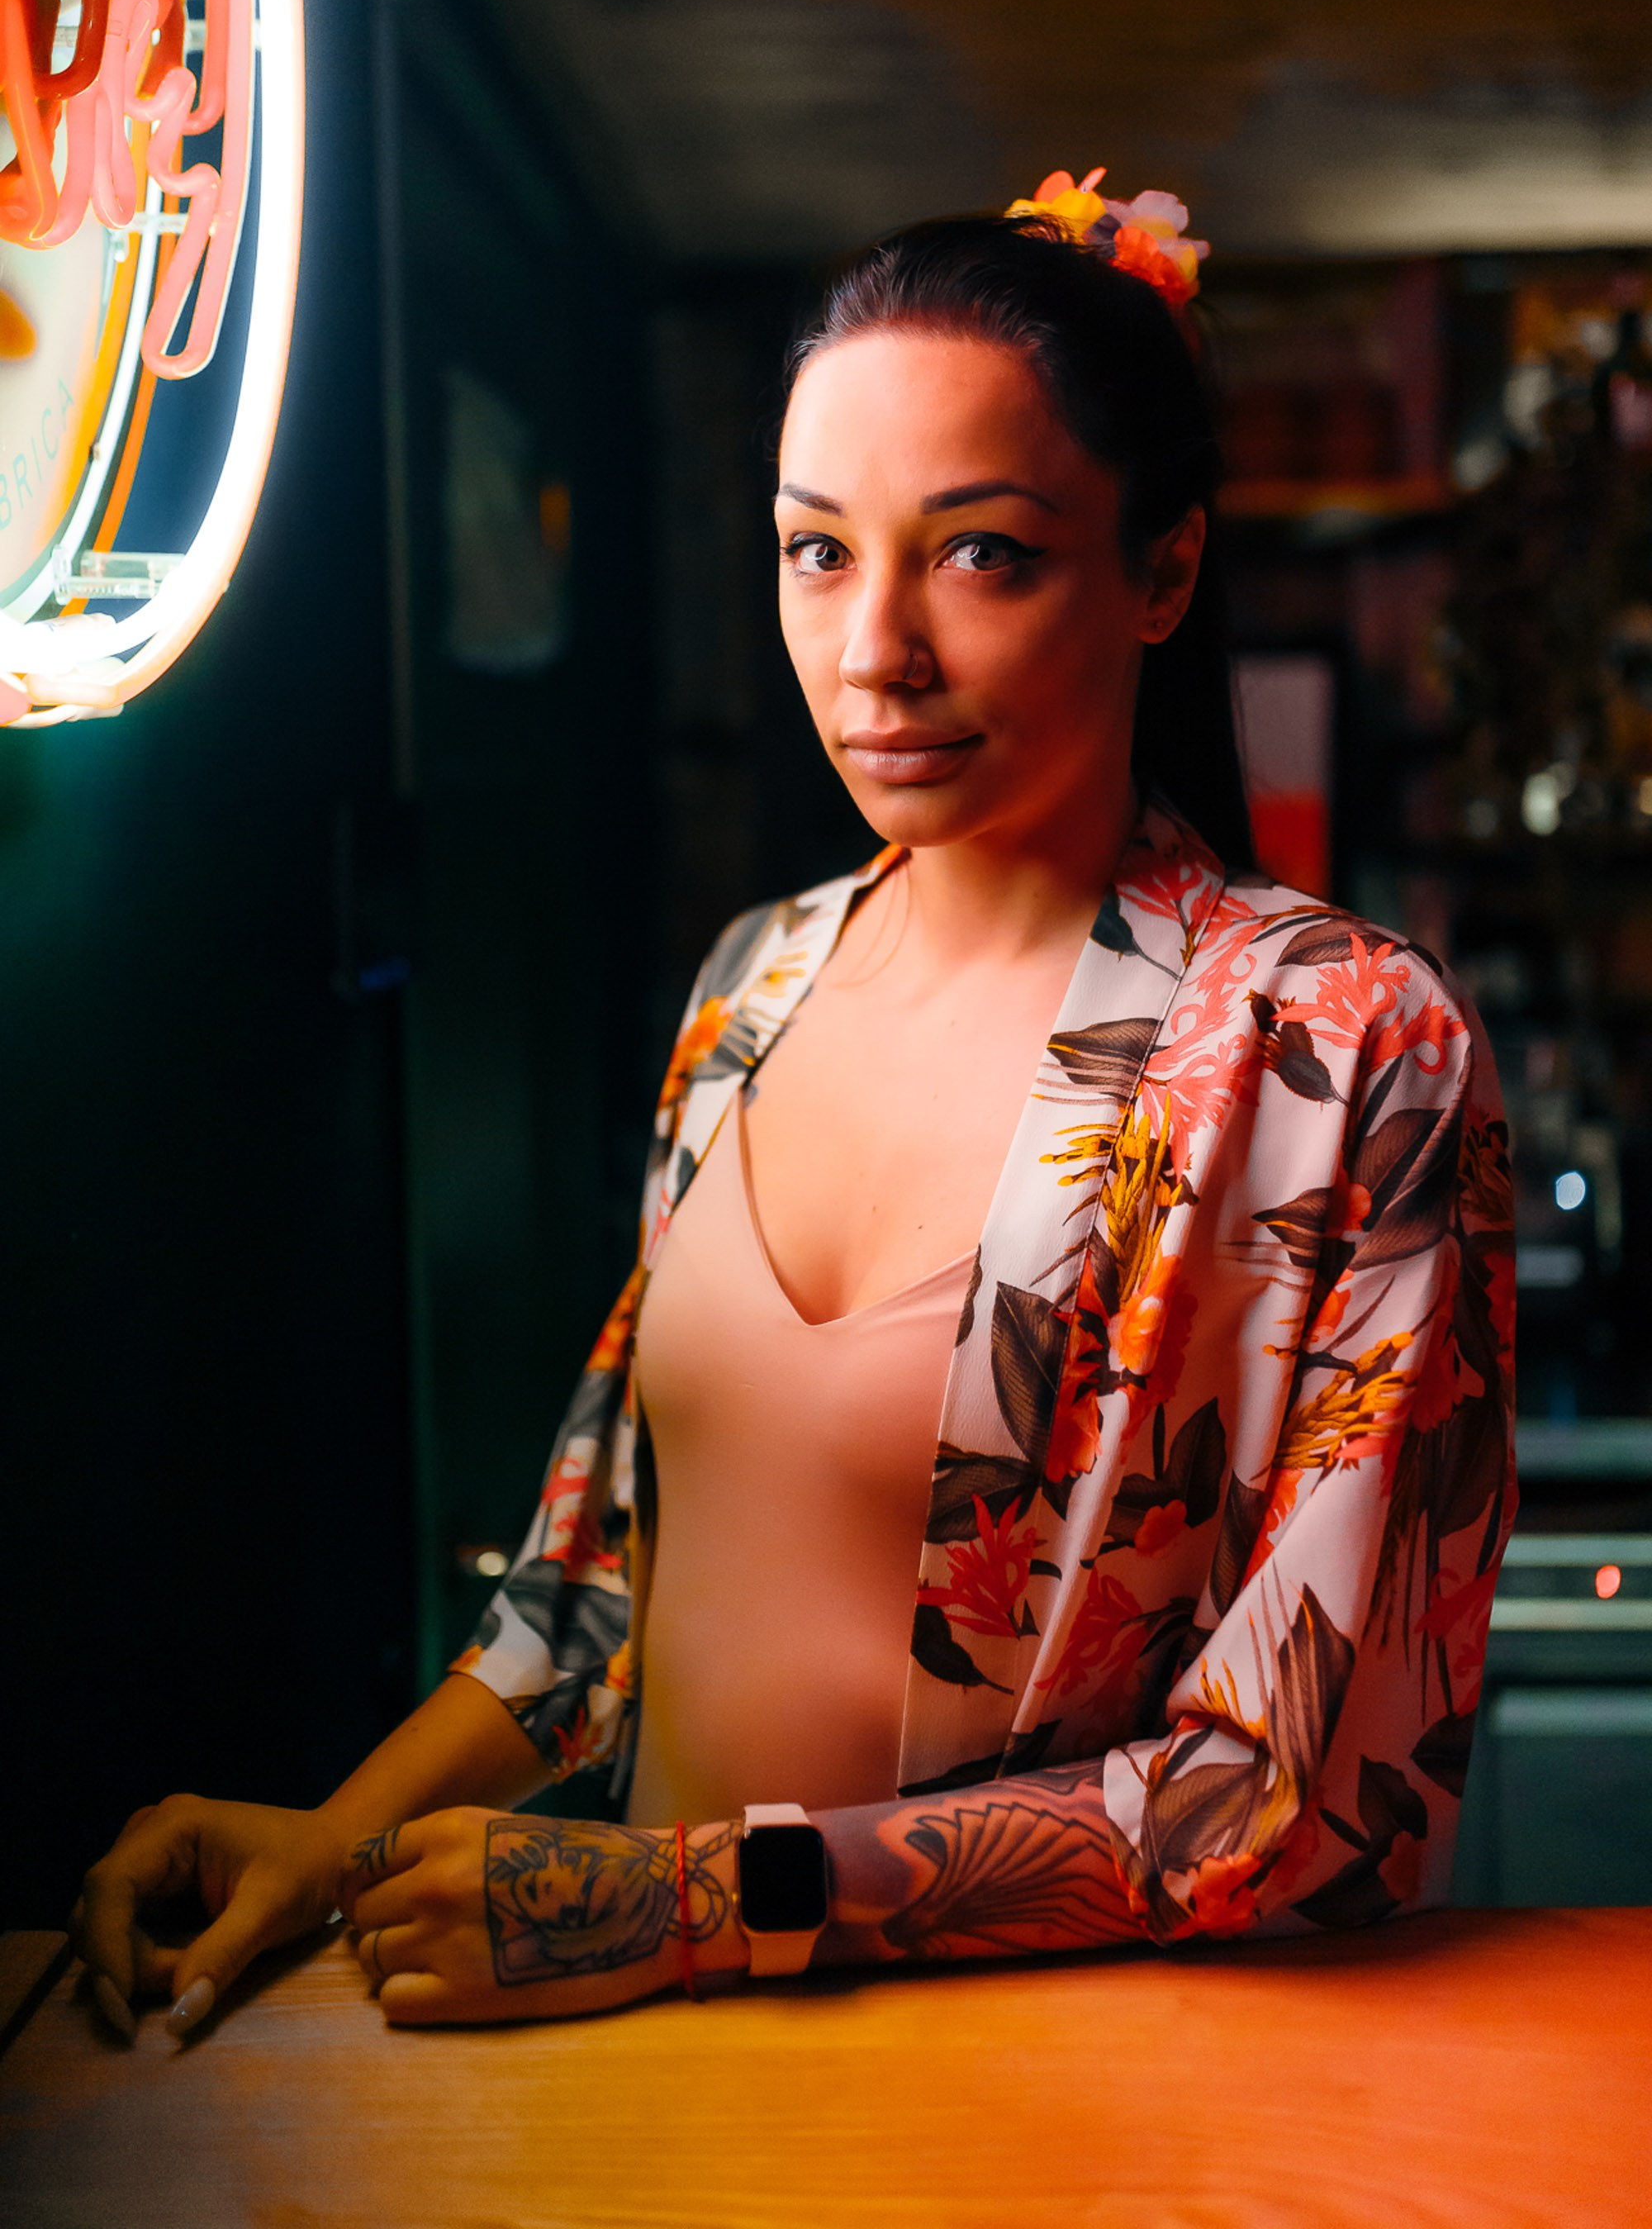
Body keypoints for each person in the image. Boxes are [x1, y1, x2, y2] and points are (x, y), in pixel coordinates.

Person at [75, 173, 1515, 2039]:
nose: (872, 651)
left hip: (1022, 2101)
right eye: (816, 549)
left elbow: (1310, 1803)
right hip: (628, 2066)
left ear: (1163, 569)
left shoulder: (1339, 1049)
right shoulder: (754, 981)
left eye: (980, 552)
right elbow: (597, 1585)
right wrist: (335, 1841)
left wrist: (695, 1904)